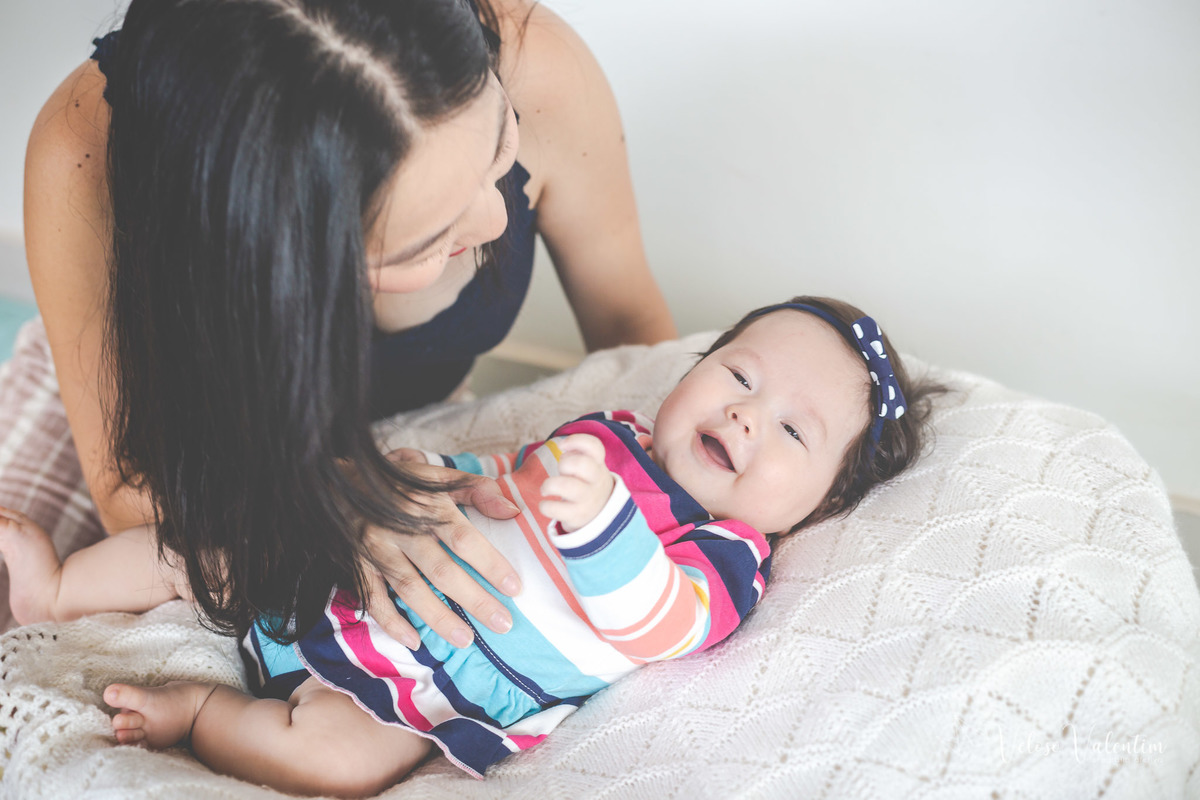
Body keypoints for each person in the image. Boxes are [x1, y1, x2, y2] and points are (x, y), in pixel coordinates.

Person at [0, 297, 944, 795]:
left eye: (793, 433)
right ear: (693, 371)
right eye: (739, 373)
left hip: (424, 680)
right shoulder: (611, 433)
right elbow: (493, 485)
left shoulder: (728, 559)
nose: (747, 413)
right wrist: (426, 478)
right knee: (221, 545)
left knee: (339, 762)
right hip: (361, 564)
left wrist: (602, 528)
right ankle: (62, 591)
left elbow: (659, 622)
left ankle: (201, 716)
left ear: (814, 507)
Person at [4, 0, 675, 646]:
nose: (499, 220)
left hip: (414, 429)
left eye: (499, 148)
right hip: (165, 444)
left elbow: (631, 334)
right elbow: (128, 489)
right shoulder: (87, 158)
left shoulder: (539, 61)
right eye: (427, 243)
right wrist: (321, 513)